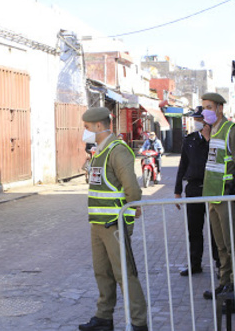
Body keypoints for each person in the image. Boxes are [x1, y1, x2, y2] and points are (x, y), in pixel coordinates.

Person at [78, 107, 148, 331]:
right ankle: (103, 317)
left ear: (99, 126)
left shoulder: (118, 150)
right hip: (98, 224)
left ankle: (138, 322)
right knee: (102, 272)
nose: (85, 132)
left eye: (87, 128)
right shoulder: (99, 151)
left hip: (115, 224)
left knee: (124, 274)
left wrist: (133, 207)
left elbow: (132, 189)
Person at [199, 93, 235, 313]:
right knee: (220, 246)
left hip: (227, 196)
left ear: (220, 109)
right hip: (212, 197)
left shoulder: (231, 131)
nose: (205, 111)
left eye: (209, 107)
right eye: (203, 107)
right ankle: (224, 285)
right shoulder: (213, 131)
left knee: (233, 245)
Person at [174, 106, 220, 277]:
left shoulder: (215, 139)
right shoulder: (190, 140)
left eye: (199, 120)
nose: (196, 123)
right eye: (195, 120)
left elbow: (217, 160)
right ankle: (195, 264)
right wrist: (177, 191)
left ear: (207, 122)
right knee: (194, 229)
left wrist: (209, 140)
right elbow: (182, 165)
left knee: (215, 229)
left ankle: (219, 264)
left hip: (212, 187)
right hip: (193, 189)